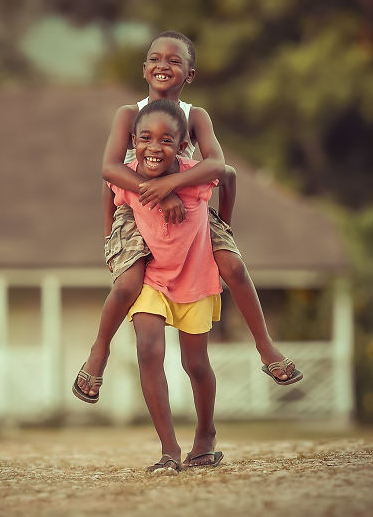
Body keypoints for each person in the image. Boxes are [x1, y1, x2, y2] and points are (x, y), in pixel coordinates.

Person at [73, 30, 302, 405]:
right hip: (135, 207)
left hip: (188, 208)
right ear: (145, 68)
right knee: (128, 283)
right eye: (155, 59)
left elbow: (218, 164)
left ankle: (265, 346)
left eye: (174, 61)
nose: (163, 65)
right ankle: (99, 352)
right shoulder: (128, 114)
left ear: (190, 75)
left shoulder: (196, 116)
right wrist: (158, 197)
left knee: (234, 267)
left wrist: (176, 189)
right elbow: (109, 169)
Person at [113, 99, 224, 472]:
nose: (154, 147)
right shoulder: (129, 177)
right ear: (132, 141)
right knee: (147, 348)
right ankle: (168, 450)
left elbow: (230, 174)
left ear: (181, 146)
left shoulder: (197, 176)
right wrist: (109, 244)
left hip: (195, 278)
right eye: (145, 138)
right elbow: (107, 185)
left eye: (166, 141)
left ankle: (205, 436)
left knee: (195, 363)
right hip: (152, 279)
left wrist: (226, 223)